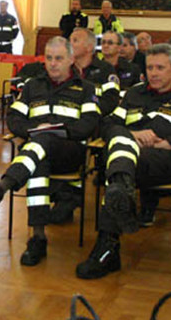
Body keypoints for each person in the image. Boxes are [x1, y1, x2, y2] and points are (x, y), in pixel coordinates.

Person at [76, 44, 171, 279]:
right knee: (120, 166)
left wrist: (167, 142)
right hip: (127, 158)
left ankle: (106, 250)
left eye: (160, 68)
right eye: (149, 67)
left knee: (116, 164)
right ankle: (108, 241)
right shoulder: (133, 93)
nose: (154, 73)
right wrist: (133, 135)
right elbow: (106, 125)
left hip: (162, 162)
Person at [0, 37, 99, 266]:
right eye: (49, 58)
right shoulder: (33, 86)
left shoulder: (85, 88)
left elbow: (90, 123)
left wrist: (59, 131)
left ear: (71, 60)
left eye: (59, 58)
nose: (53, 64)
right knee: (38, 165)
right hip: (36, 154)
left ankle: (2, 187)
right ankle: (38, 238)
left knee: (44, 142)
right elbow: (13, 117)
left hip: (69, 152)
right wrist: (33, 129)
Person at [44, 28, 118, 224]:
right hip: (63, 120)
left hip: (92, 123)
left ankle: (69, 196)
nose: (70, 43)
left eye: (75, 40)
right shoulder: (64, 69)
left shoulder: (105, 70)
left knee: (76, 142)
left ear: (90, 47)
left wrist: (86, 111)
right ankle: (62, 197)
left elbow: (112, 100)